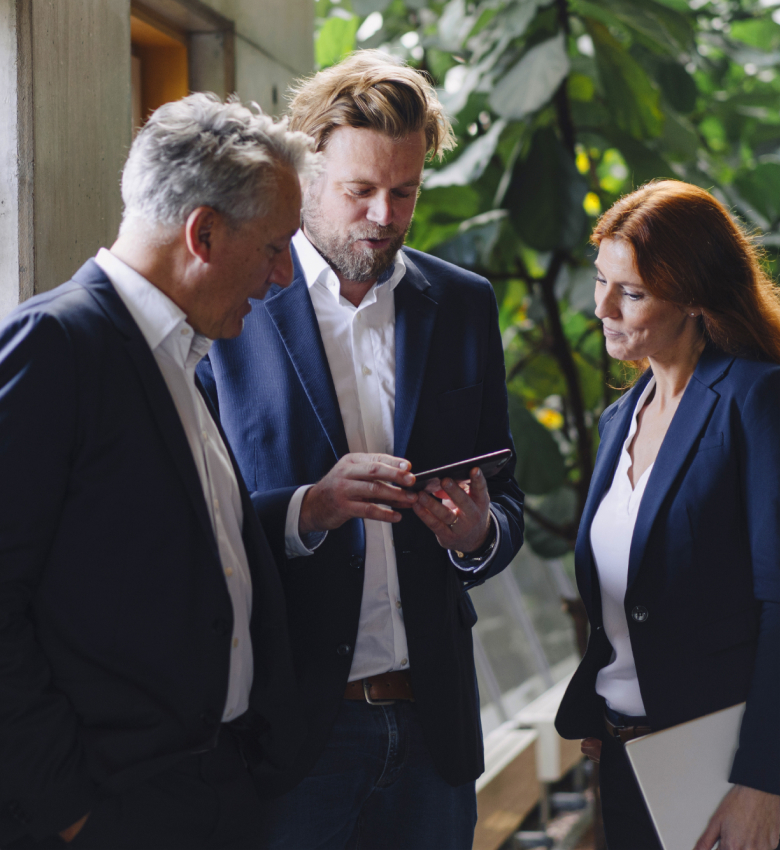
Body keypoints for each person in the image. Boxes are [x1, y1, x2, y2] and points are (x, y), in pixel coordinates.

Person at [198, 50, 524, 850]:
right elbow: (192, 521)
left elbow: (507, 501)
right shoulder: (233, 305)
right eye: (361, 190)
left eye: (404, 191)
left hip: (434, 735)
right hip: (292, 736)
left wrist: (477, 535)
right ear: (307, 172)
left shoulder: (463, 306)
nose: (384, 214)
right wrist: (311, 509)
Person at [0, 93, 320, 849]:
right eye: (275, 247)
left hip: (215, 789)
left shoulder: (184, 352)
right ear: (202, 232)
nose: (282, 278)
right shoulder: (56, 343)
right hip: (115, 808)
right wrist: (67, 809)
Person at [554, 180, 780, 850]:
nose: (601, 306)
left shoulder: (755, 402)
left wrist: (765, 783)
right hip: (627, 760)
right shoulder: (620, 419)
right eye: (601, 280)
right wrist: (606, 690)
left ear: (693, 297)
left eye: (632, 292)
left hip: (725, 768)